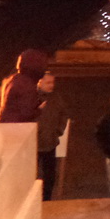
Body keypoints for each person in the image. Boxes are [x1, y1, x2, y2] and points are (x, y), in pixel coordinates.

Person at [35, 72, 69, 201]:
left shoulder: (56, 98)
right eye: (48, 82)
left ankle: (46, 200)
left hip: (50, 143)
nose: (51, 85)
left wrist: (58, 131)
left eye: (53, 82)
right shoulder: (32, 97)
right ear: (40, 82)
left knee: (50, 175)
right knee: (32, 174)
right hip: (34, 144)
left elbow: (64, 114)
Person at [0, 49, 48, 123]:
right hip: (16, 126)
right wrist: (40, 109)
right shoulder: (26, 84)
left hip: (4, 124)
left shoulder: (13, 80)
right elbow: (26, 113)